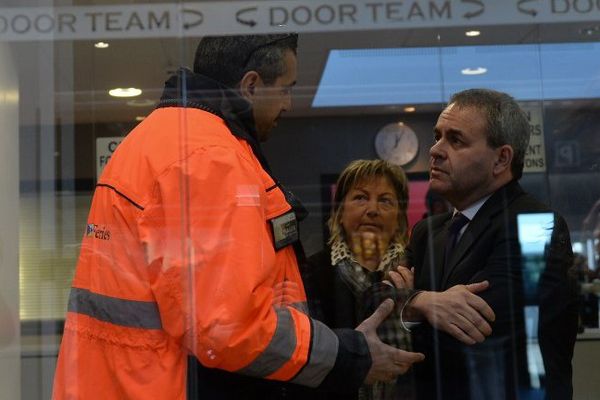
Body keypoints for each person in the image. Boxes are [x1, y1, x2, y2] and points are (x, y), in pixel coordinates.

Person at [51, 34, 426, 400]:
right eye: (286, 88)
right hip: (169, 385)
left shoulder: (156, 139)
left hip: (128, 382)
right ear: (251, 85)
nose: (289, 104)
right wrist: (349, 356)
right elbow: (229, 327)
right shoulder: (208, 158)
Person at [404, 88, 579, 400]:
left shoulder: (537, 225)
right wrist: (421, 302)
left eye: (455, 140)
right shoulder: (426, 232)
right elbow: (374, 303)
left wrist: (407, 303)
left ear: (502, 159)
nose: (435, 150)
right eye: (438, 136)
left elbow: (480, 328)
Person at [302, 159, 498, 400]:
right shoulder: (312, 271)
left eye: (385, 200)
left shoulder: (424, 264)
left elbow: (445, 349)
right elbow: (310, 352)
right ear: (340, 212)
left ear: (399, 216)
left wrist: (413, 313)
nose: (372, 209)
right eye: (360, 197)